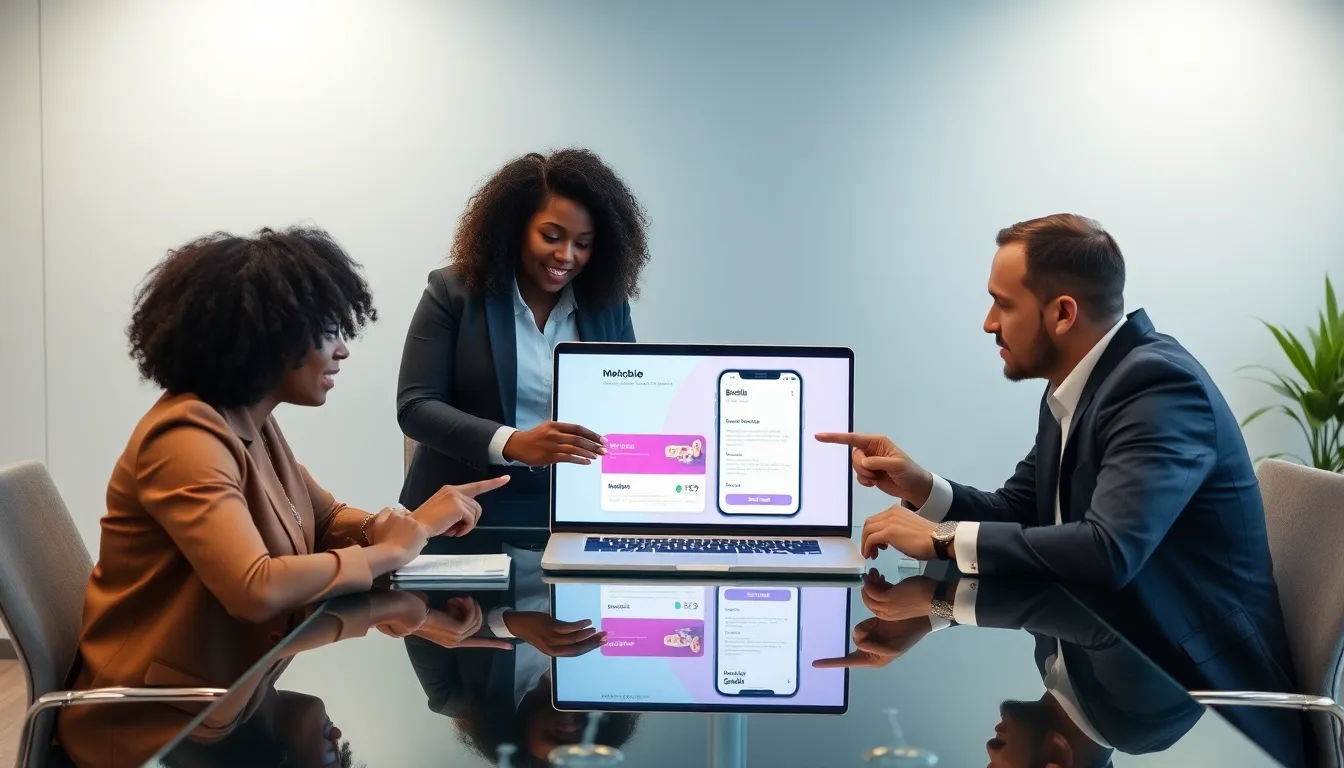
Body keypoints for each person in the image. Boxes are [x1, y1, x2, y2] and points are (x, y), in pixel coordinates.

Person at [816, 214, 1300, 728]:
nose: (988, 322)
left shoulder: (1158, 387)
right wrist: (922, 487)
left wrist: (940, 539)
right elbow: (1020, 511)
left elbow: (1107, 552)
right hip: (1132, 643)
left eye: (1003, 303)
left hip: (1209, 690)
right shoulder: (1077, 386)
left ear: (1063, 313)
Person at [56, 227, 508, 768]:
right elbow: (256, 589)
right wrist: (395, 551)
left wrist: (396, 535)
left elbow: (326, 517)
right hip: (154, 725)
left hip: (230, 695)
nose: (343, 349)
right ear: (267, 336)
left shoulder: (251, 422)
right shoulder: (185, 438)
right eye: (328, 332)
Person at [397, 148, 651, 525]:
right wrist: (514, 444)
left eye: (582, 243)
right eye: (551, 236)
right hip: (466, 513)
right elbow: (416, 406)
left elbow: (626, 402)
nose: (566, 255)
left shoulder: (608, 306)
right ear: (516, 227)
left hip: (573, 507)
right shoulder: (454, 293)